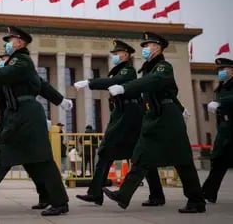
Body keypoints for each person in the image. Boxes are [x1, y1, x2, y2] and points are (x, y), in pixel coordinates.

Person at [0, 26, 70, 216]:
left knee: (12, 155)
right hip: (22, 115)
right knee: (35, 160)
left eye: (10, 40)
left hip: (25, 115)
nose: (7, 44)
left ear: (20, 43)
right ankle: (51, 198)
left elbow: (4, 77)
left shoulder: (21, 61)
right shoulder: (20, 68)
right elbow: (4, 88)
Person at [102, 32, 206, 213]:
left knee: (182, 160)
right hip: (154, 117)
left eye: (147, 46)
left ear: (157, 48)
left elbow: (154, 82)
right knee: (141, 156)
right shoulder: (149, 69)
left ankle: (196, 200)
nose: (144, 49)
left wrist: (125, 87)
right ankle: (125, 195)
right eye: (143, 46)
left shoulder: (163, 67)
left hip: (168, 118)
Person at [74, 40, 164, 206]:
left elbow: (113, 83)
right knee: (133, 156)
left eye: (117, 53)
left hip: (130, 117)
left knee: (121, 153)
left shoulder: (128, 71)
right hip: (123, 115)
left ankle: (156, 195)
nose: (114, 56)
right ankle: (96, 193)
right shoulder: (118, 71)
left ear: (126, 55)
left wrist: (89, 82)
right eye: (113, 54)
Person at [201, 58, 233, 203]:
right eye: (219, 70)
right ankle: (208, 193)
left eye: (224, 69)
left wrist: (221, 102)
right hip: (224, 129)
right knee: (218, 161)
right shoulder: (221, 87)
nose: (220, 72)